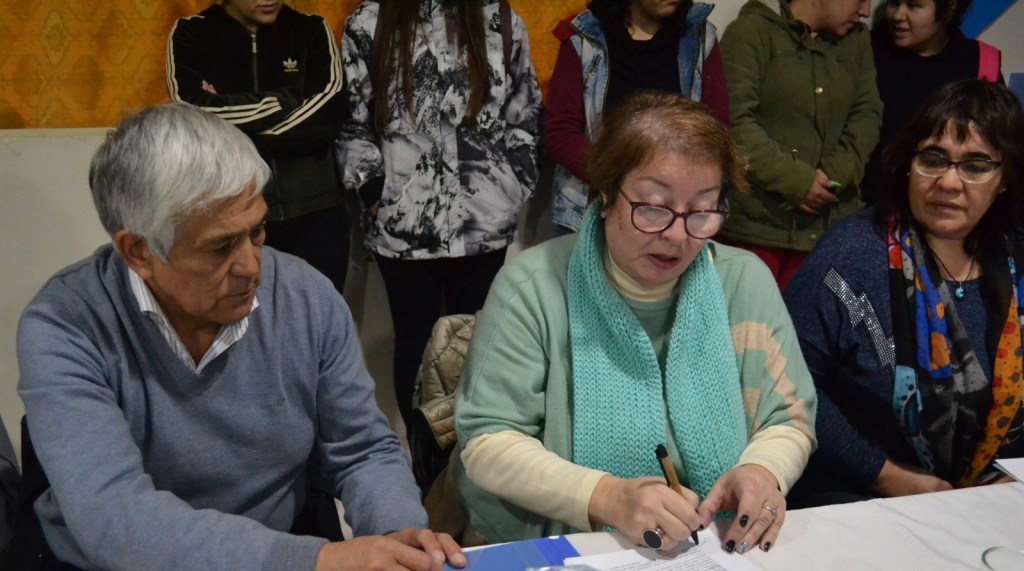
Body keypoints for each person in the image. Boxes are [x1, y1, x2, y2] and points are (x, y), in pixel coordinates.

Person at [16, 103, 465, 571]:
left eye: (257, 231)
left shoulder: (305, 296)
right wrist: (316, 560)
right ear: (139, 251)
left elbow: (362, 449)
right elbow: (115, 516)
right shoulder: (65, 324)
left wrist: (396, 536)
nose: (253, 267)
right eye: (220, 246)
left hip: (275, 546)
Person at [453, 92, 817, 555]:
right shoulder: (533, 286)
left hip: (710, 542)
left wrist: (764, 470)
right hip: (562, 539)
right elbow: (487, 441)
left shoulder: (743, 280)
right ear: (606, 195)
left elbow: (788, 417)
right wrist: (608, 497)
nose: (676, 235)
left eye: (702, 211)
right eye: (652, 207)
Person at [783, 79, 1024, 507]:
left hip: (988, 498)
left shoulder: (1014, 256)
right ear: (908, 165)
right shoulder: (853, 253)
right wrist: (882, 474)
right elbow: (786, 383)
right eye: (933, 159)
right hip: (856, 495)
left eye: (975, 165)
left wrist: (1011, 475)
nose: (949, 183)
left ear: (1004, 178)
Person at [335, 0, 542, 472]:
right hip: (403, 228)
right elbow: (352, 121)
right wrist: (374, 191)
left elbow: (524, 112)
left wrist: (512, 186)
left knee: (479, 342)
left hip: (483, 224)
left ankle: (475, 463)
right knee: (416, 343)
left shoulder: (500, 19)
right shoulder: (370, 22)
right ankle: (426, 470)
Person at [166, 0, 350, 293]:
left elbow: (327, 117)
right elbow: (192, 115)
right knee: (240, 329)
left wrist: (231, 122)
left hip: (315, 212)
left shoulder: (311, 30)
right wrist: (287, 101)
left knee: (317, 327)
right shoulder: (192, 34)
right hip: (230, 218)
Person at [718, 0, 882, 290]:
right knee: (751, 332)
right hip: (756, 230)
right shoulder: (753, 31)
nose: (867, 11)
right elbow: (733, 122)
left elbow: (867, 115)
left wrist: (833, 175)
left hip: (829, 230)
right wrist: (797, 181)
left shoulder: (857, 41)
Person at [546, 0, 730, 234]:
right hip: (590, 208)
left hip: (675, 216)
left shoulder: (700, 36)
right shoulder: (585, 36)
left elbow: (716, 128)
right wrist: (619, 179)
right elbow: (560, 131)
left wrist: (667, 187)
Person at [862, 0, 1002, 203]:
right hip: (868, 207)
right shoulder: (865, 52)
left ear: (949, 9)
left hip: (944, 206)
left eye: (913, 6)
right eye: (894, 3)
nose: (898, 15)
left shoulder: (981, 62)